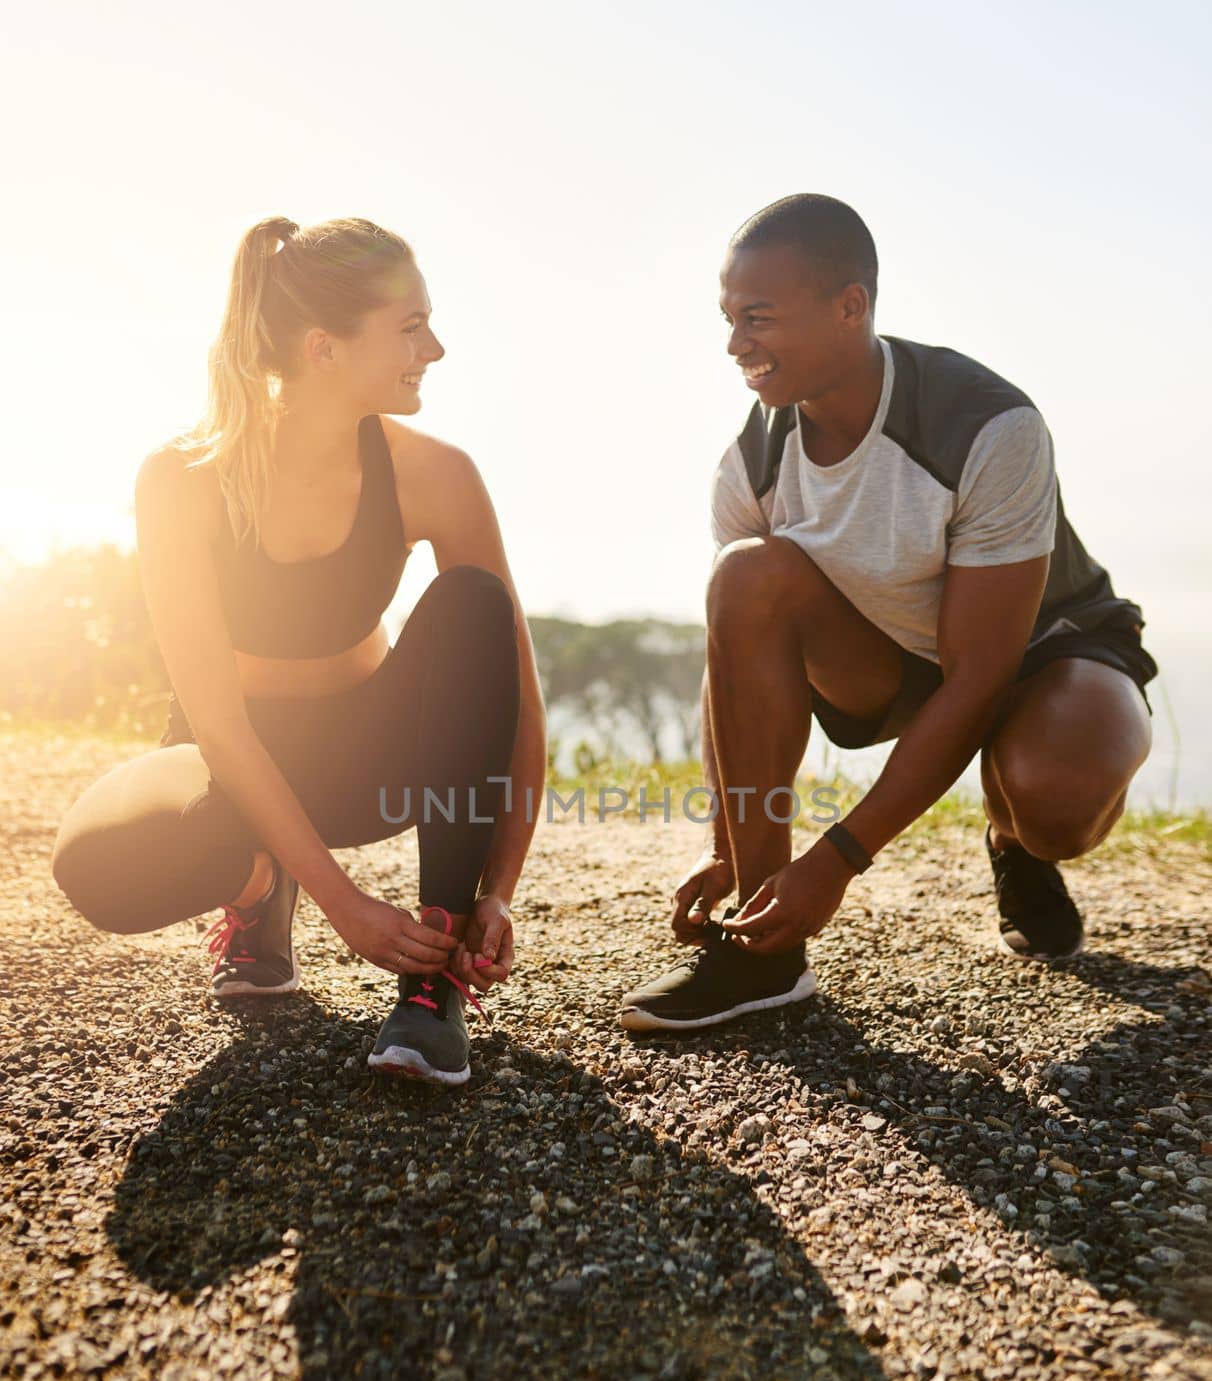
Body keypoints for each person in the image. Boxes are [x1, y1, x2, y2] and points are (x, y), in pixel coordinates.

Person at [620, 193, 1157, 1033]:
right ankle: (760, 953)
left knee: (1053, 800)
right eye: (728, 319)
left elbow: (982, 676)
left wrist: (836, 859)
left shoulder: (988, 424)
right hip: (892, 664)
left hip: (1045, 651)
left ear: (850, 306)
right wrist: (729, 847)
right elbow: (731, 658)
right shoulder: (750, 466)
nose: (736, 346)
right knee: (745, 578)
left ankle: (1014, 842)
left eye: (758, 318)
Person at [51, 216, 547, 1085]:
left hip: (366, 765)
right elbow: (214, 719)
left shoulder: (438, 474)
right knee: (94, 866)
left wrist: (494, 890)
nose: (435, 347)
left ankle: (434, 984)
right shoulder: (181, 479)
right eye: (410, 327)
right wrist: (342, 904)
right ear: (324, 348)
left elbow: (514, 695)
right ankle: (256, 888)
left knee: (476, 605)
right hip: (232, 762)